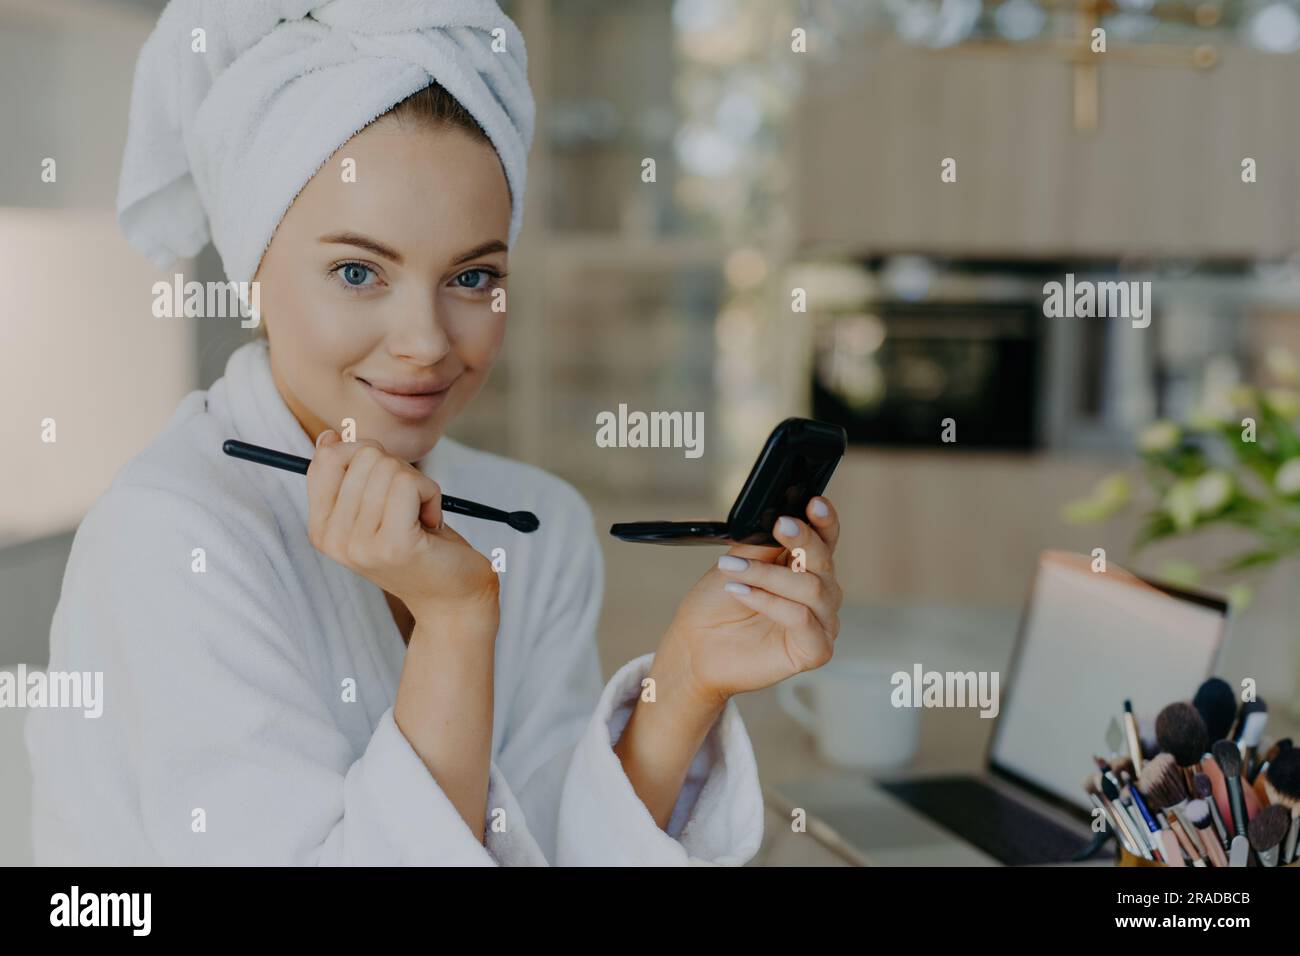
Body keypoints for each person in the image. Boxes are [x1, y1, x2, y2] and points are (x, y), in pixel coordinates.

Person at [26, 0, 844, 865]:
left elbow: (541, 850)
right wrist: (454, 624)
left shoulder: (532, 521)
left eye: (472, 275)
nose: (425, 342)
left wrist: (684, 685)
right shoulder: (172, 537)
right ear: (253, 269)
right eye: (357, 271)